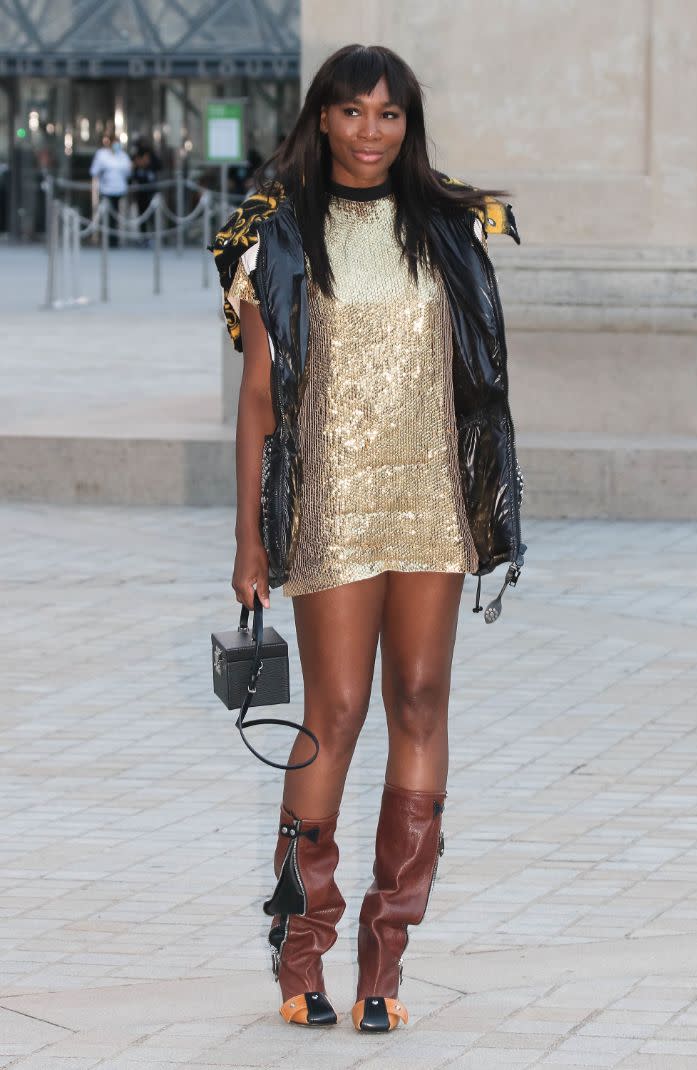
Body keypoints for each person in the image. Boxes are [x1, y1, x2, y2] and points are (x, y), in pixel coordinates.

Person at [211, 44, 526, 1034]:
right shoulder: (276, 234)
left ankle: (385, 962)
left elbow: (475, 379)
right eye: (351, 113)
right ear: (321, 119)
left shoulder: (449, 227)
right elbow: (259, 398)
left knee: (421, 699)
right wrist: (249, 537)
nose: (369, 133)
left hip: (428, 496)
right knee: (337, 707)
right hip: (332, 499)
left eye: (388, 116)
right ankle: (300, 950)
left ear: (407, 124)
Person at [90, 134, 132, 248]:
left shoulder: (123, 156)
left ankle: (115, 239)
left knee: (116, 215)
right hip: (106, 190)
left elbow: (128, 172)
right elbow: (94, 171)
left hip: (119, 190)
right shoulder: (102, 155)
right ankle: (105, 239)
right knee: (107, 215)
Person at [130, 138, 161, 240]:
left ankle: (153, 236)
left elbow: (159, 165)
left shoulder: (151, 156)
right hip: (140, 191)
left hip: (151, 191)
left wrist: (148, 163)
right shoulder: (136, 157)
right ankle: (143, 237)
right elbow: (132, 173)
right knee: (142, 214)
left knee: (152, 215)